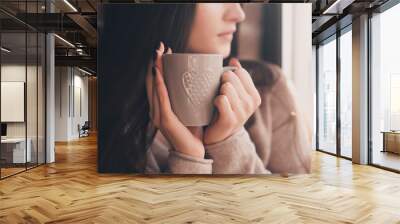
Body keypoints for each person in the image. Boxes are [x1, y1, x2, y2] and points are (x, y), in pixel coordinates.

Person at [99, 3, 312, 174]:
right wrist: (188, 157)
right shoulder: (111, 114)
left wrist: (229, 143)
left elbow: (293, 209)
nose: (239, 13)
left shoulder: (269, 86)